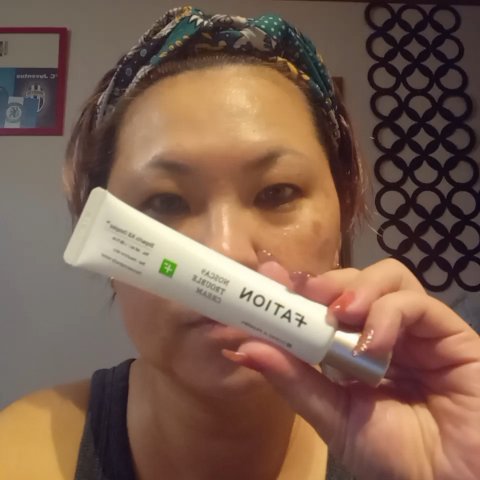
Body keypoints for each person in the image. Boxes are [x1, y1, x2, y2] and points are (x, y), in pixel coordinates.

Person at [1, 6, 479, 480]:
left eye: (277, 192)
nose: (226, 251)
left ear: (343, 215)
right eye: (165, 202)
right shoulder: (19, 455)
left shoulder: (418, 438)